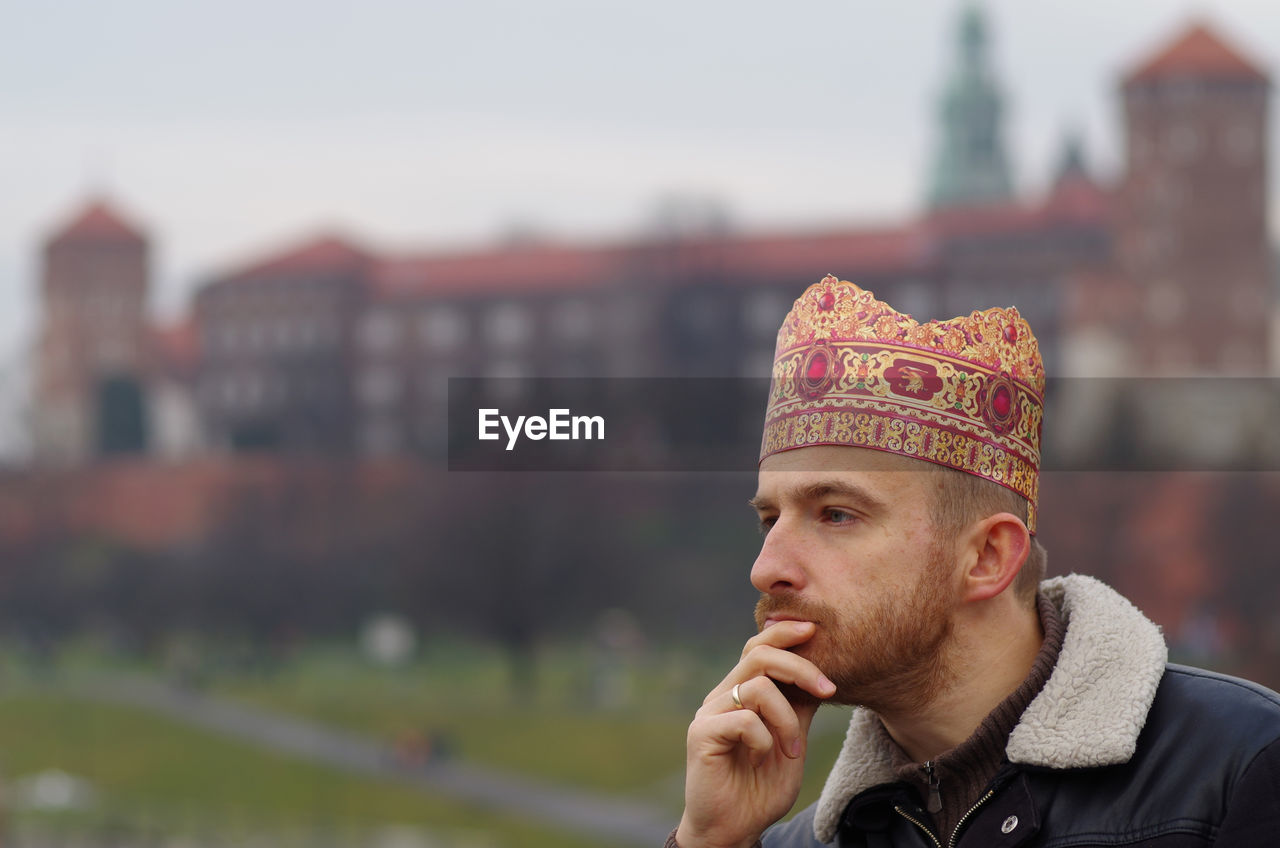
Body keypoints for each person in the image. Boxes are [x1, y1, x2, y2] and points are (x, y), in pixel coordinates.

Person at [671, 276, 1280, 848]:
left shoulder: (1239, 772)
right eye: (769, 520)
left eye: (836, 514)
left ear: (988, 557)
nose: (766, 567)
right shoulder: (795, 841)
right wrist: (710, 841)